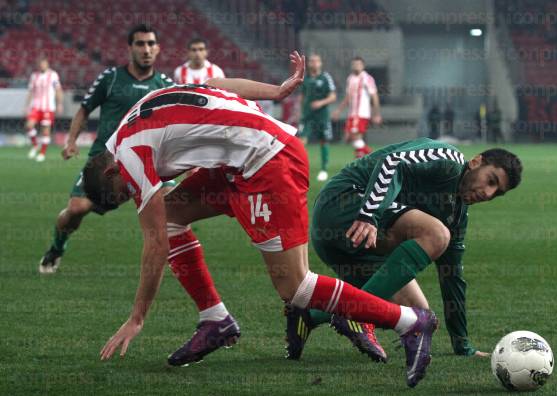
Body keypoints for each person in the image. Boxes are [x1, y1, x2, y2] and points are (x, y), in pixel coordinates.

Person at [82, 52, 437, 388]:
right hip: (242, 160)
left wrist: (138, 316)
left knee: (295, 286)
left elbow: (155, 243)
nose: (135, 194)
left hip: (269, 162)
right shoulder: (135, 118)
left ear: (113, 168)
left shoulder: (130, 158)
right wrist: (276, 91)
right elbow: (217, 84)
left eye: (126, 191)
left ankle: (409, 322)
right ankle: (215, 320)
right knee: (173, 214)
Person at [285, 138, 522, 362]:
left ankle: (309, 315)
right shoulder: (447, 160)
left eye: (497, 192)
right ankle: (357, 317)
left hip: (357, 246)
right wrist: (369, 214)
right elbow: (392, 162)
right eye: (491, 181)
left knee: (419, 316)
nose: (488, 194)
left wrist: (463, 346)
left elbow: (452, 277)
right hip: (344, 204)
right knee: (436, 234)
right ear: (476, 161)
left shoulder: (457, 215)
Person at [38, 24, 174, 274]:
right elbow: (84, 109)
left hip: (149, 163)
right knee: (76, 209)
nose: (146, 49)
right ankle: (57, 248)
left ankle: (177, 265)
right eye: (140, 44)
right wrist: (70, 142)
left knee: (175, 207)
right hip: (105, 161)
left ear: (158, 48)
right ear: (130, 48)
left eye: (151, 44)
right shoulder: (110, 78)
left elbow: (176, 123)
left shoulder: (165, 85)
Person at [332, 56, 381, 159]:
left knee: (354, 137)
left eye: (358, 64)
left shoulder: (367, 78)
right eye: (354, 64)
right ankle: (364, 157)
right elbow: (348, 97)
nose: (356, 66)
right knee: (349, 138)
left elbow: (374, 96)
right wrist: (338, 110)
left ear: (363, 66)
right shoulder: (350, 78)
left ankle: (373, 157)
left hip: (362, 113)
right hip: (352, 113)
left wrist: (376, 114)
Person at [298, 53, 336, 181]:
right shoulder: (305, 78)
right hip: (307, 116)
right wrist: (300, 111)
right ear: (308, 64)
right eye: (311, 61)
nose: (314, 63)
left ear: (320, 63)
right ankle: (300, 170)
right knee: (300, 142)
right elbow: (302, 96)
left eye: (316, 61)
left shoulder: (325, 78)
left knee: (323, 141)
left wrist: (320, 103)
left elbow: (333, 96)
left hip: (322, 116)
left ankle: (324, 170)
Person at [24, 57, 63, 162]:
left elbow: (58, 89)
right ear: (38, 65)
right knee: (28, 125)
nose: (42, 65)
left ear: (47, 64)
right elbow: (31, 91)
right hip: (36, 106)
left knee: (45, 130)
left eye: (44, 64)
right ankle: (35, 145)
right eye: (40, 64)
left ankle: (42, 153)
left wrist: (59, 104)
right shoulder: (34, 76)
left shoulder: (53, 75)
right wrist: (27, 105)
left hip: (48, 107)